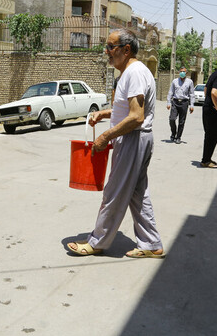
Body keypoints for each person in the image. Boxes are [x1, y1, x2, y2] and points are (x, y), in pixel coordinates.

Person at [66, 29, 164, 259]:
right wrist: (106, 113)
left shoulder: (135, 73)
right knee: (137, 194)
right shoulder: (132, 72)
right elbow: (129, 110)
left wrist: (105, 136)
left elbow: (136, 116)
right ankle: (151, 244)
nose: (107, 51)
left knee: (114, 192)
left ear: (126, 49)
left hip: (133, 138)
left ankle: (97, 242)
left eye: (111, 47)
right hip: (136, 138)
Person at [166, 66, 195, 144]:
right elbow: (171, 92)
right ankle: (173, 133)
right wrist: (168, 102)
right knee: (172, 119)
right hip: (175, 102)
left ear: (186, 73)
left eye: (184, 71)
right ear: (179, 72)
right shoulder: (175, 81)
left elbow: (192, 94)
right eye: (181, 71)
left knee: (181, 122)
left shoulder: (190, 82)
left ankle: (178, 137)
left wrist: (192, 105)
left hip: (184, 103)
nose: (182, 73)